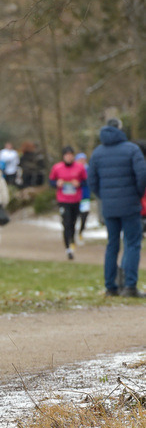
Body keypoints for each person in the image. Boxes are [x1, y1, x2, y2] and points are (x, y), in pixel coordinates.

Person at [88, 118, 146, 297]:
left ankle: (110, 286)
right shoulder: (132, 149)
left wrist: (104, 197)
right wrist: (137, 194)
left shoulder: (97, 153)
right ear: (120, 129)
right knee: (132, 243)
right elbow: (142, 173)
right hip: (130, 205)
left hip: (109, 206)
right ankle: (129, 285)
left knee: (112, 245)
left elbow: (91, 180)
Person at [48, 146, 87, 259]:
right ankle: (68, 249)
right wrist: (57, 184)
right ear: (63, 156)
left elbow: (86, 181)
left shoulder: (80, 168)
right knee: (66, 223)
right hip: (63, 200)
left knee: (73, 222)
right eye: (67, 155)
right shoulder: (57, 167)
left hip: (75, 199)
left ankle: (72, 240)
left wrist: (78, 183)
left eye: (71, 155)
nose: (69, 157)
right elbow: (50, 181)